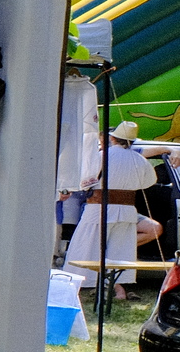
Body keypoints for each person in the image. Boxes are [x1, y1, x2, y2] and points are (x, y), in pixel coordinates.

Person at [66, 123, 163, 300]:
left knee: (85, 246)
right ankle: (115, 289)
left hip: (99, 208)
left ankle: (73, 286)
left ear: (112, 138)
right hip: (126, 210)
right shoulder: (139, 159)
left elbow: (84, 180)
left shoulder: (101, 156)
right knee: (117, 251)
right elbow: (148, 181)